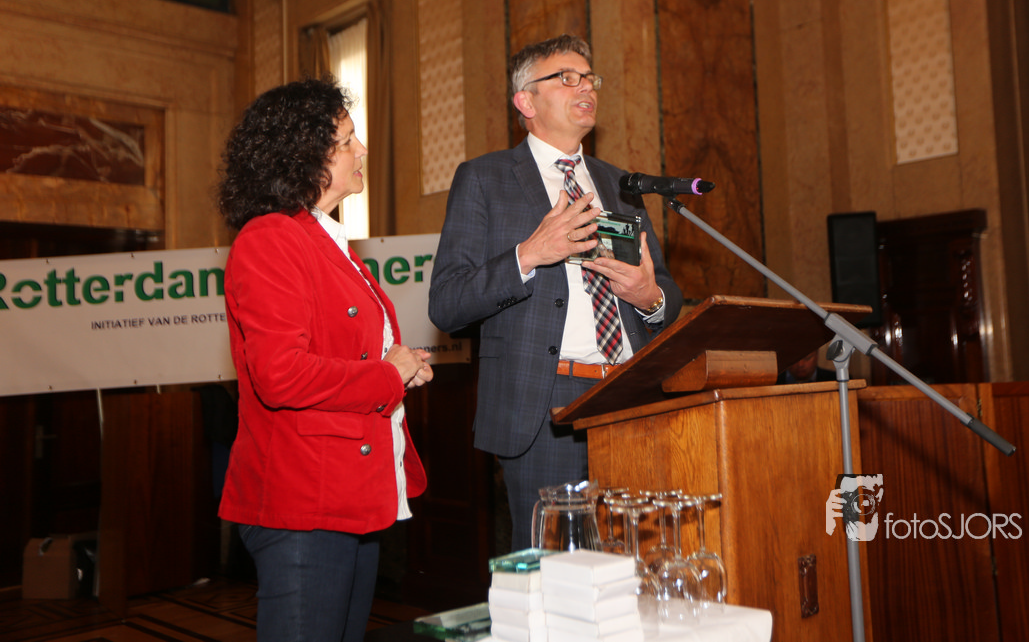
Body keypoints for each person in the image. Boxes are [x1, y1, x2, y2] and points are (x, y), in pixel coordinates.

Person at [428, 34, 682, 550]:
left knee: (632, 563)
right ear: (525, 101)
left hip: (629, 396)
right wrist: (528, 254)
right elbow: (447, 303)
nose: (585, 87)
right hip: (545, 404)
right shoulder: (485, 179)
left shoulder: (621, 185)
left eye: (589, 78)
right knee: (556, 573)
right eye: (566, 78)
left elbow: (669, 294)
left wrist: (649, 297)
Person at [216, 77, 432, 642]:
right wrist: (386, 375)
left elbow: (341, 352)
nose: (362, 149)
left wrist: (400, 365)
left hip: (350, 495)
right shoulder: (270, 238)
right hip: (304, 500)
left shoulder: (325, 239)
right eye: (347, 140)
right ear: (303, 155)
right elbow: (281, 375)